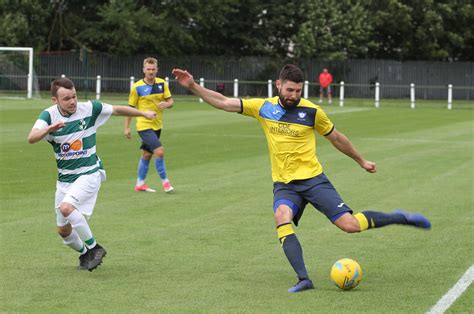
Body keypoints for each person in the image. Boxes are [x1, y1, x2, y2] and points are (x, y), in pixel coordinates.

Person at [172, 65, 431, 293]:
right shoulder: (263, 107)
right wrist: (193, 86)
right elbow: (225, 102)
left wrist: (361, 161)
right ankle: (304, 278)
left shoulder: (312, 112)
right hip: (285, 185)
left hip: (313, 180)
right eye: (290, 90)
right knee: (281, 216)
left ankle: (399, 216)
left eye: (298, 91)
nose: (294, 95)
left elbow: (337, 138)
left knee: (350, 226)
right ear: (278, 85)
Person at [27, 78, 156, 271]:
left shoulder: (89, 109)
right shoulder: (48, 115)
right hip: (65, 179)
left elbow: (118, 110)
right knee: (63, 231)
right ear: (55, 100)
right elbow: (31, 138)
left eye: (74, 96)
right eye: (66, 99)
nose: (72, 102)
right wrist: (49, 129)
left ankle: (95, 248)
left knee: (66, 208)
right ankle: (85, 253)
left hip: (89, 172)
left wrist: (143, 113)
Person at [124, 57, 174, 193]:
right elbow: (130, 107)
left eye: (153, 69)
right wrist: (127, 127)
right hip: (143, 125)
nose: (151, 72)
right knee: (160, 151)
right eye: (148, 69)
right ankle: (166, 183)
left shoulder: (162, 84)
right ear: (144, 70)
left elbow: (171, 101)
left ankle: (140, 184)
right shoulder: (137, 87)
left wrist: (167, 104)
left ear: (157, 70)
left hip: (157, 125)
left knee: (147, 154)